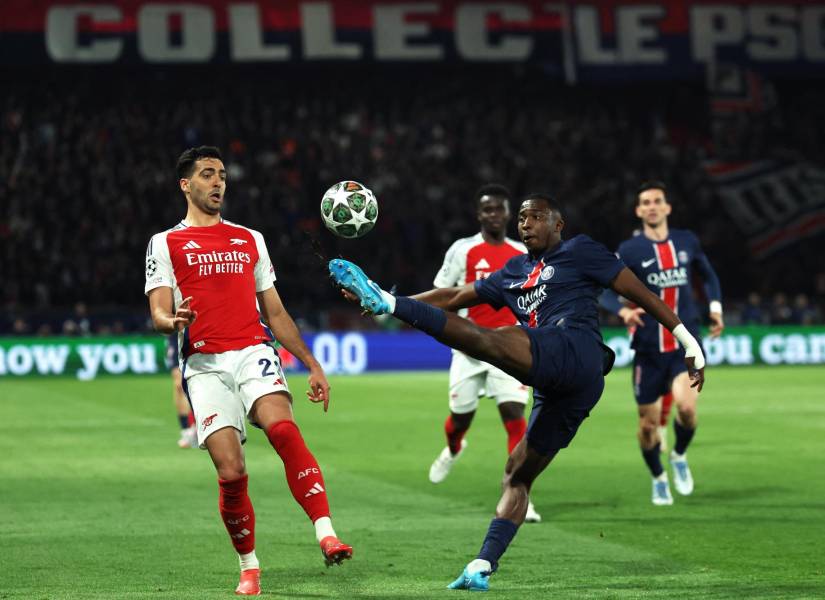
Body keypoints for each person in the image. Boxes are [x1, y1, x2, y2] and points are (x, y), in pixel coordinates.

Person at [329, 193, 706, 591]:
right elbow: (455, 297)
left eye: (536, 216)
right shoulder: (513, 272)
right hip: (562, 388)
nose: (525, 223)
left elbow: (639, 292)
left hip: (577, 348)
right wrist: (391, 306)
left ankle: (386, 299)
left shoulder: (580, 251)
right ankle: (482, 564)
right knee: (516, 474)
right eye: (522, 218)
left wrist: (687, 340)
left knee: (494, 339)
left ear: (558, 224)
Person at [145, 146, 351, 596]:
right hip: (204, 364)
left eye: (221, 174)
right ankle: (249, 565)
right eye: (207, 175)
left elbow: (275, 313)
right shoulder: (165, 242)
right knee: (231, 470)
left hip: (252, 349)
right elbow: (158, 309)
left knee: (283, 429)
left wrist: (313, 363)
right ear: (186, 184)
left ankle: (326, 532)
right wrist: (171, 321)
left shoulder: (249, 238)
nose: (218, 182)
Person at [601, 181, 722, 505]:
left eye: (657, 201)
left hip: (685, 347)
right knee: (647, 427)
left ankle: (679, 455)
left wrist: (715, 308)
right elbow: (603, 287)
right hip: (648, 350)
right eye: (646, 202)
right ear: (639, 211)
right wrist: (623, 310)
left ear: (667, 207)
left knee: (686, 409)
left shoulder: (686, 241)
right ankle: (658, 477)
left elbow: (708, 275)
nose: (652, 206)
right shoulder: (629, 250)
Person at [429, 184, 541, 523]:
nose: (494, 214)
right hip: (469, 349)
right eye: (487, 209)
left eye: (499, 209)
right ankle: (453, 447)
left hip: (510, 348)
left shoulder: (522, 253)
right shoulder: (463, 250)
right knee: (459, 419)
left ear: (509, 214)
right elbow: (442, 292)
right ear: (479, 215)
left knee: (515, 420)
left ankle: (519, 493)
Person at [165, 332, 197, 448]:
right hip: (176, 335)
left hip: (197, 332)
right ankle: (186, 429)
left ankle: (198, 425)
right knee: (179, 385)